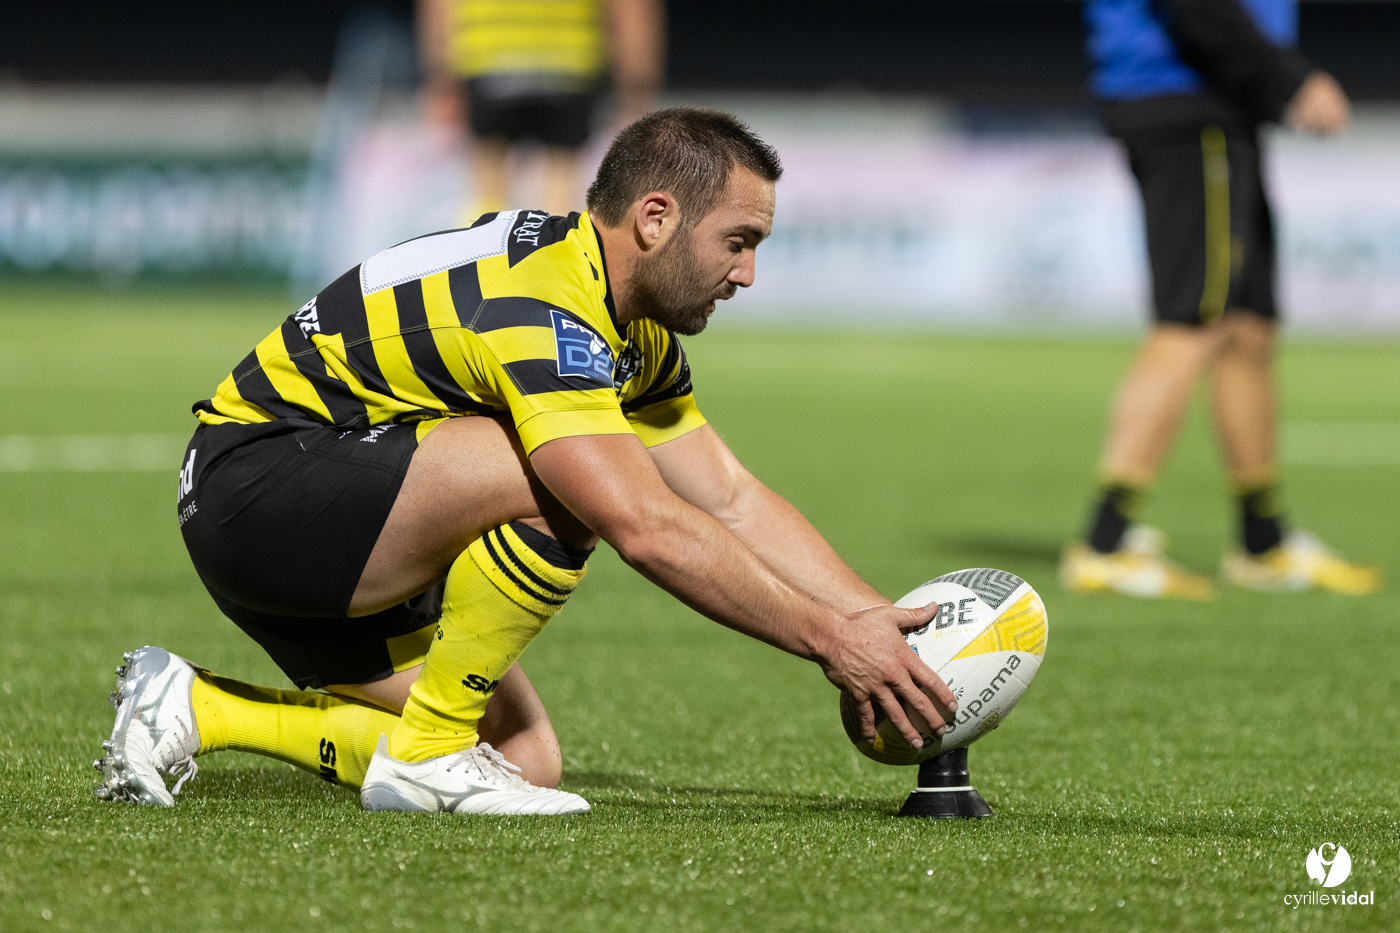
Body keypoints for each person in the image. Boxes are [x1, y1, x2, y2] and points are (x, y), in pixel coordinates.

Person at [94, 108, 958, 815]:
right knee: (577, 482)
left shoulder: (631, 328)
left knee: (523, 759)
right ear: (655, 219)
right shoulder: (544, 298)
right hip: (260, 486)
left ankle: (198, 706)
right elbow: (645, 527)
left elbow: (728, 496)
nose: (749, 274)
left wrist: (879, 624)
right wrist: (829, 644)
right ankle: (429, 750)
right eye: (738, 240)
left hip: (325, 508)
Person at [1060, 0, 1382, 598]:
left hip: (1227, 109)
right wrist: (1291, 78)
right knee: (1193, 321)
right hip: (1187, 105)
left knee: (1248, 327)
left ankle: (1264, 542)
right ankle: (1104, 543)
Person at [417, 0, 664, 219]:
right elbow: (631, 9)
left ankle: (483, 261)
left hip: (489, 57)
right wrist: (635, 88)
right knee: (560, 196)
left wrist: (440, 75)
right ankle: (555, 261)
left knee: (488, 191)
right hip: (569, 62)